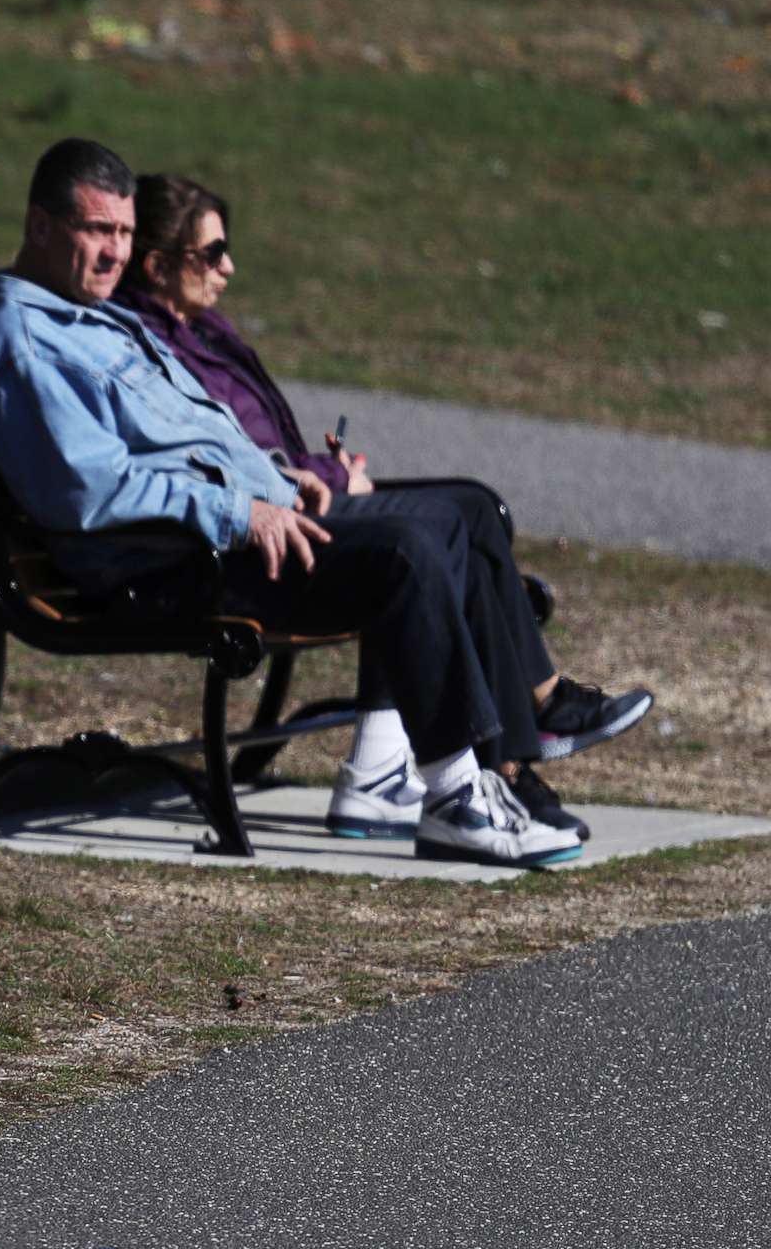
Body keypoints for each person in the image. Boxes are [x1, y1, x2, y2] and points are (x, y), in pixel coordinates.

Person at [0, 139, 652, 871]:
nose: (115, 253)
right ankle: (454, 800)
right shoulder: (25, 346)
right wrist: (243, 512)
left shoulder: (88, 317)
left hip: (220, 536)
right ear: (38, 227)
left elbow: (193, 438)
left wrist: (280, 485)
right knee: (404, 554)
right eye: (97, 231)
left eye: (124, 233)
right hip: (165, 567)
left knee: (455, 515)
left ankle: (500, 769)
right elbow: (90, 493)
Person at [113, 172, 648, 841]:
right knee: (427, 535)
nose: (229, 267)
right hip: (264, 527)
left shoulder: (205, 329)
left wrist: (328, 468)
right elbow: (227, 455)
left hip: (299, 496)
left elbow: (259, 443)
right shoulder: (151, 344)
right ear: (159, 265)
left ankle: (492, 740)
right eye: (212, 253)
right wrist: (328, 476)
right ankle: (514, 752)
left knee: (474, 508)